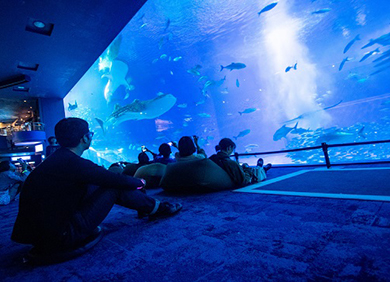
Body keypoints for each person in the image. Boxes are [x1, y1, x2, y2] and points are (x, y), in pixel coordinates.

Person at [12, 117, 182, 255]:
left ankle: (150, 207)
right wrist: (141, 182)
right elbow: (114, 180)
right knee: (113, 186)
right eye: (90, 134)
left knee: (98, 184)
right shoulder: (74, 163)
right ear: (85, 138)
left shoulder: (53, 161)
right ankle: (156, 208)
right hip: (61, 236)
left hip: (38, 236)